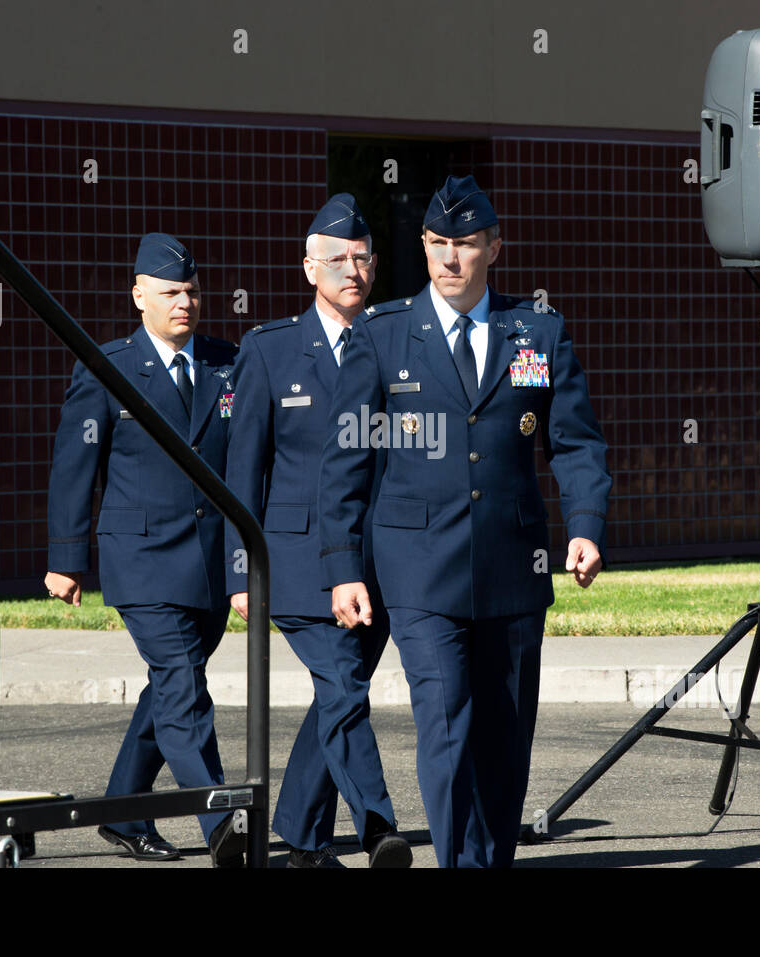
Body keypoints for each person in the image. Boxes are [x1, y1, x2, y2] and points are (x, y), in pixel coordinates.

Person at [318, 175, 612, 867]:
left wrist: (585, 525)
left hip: (514, 569)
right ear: (423, 245)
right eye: (438, 243)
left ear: (493, 248)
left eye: (466, 244)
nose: (450, 258)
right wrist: (341, 568)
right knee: (445, 729)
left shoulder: (536, 332)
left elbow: (573, 441)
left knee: (503, 742)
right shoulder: (384, 335)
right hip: (418, 570)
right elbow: (345, 461)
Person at [44, 233, 246, 866]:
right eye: (168, 292)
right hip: (142, 557)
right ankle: (222, 824)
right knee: (183, 685)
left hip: (210, 561)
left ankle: (125, 810)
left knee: (169, 687)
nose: (183, 302)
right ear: (138, 295)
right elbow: (75, 465)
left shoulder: (228, 363)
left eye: (190, 291)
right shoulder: (106, 366)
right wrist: (66, 557)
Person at [226, 194, 411, 868]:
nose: (352, 270)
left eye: (363, 258)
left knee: (337, 695)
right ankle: (378, 827)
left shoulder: (400, 339)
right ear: (309, 268)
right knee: (342, 685)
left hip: (383, 558)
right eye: (337, 259)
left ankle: (300, 840)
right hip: (299, 560)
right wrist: (239, 570)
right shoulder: (270, 351)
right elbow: (241, 470)